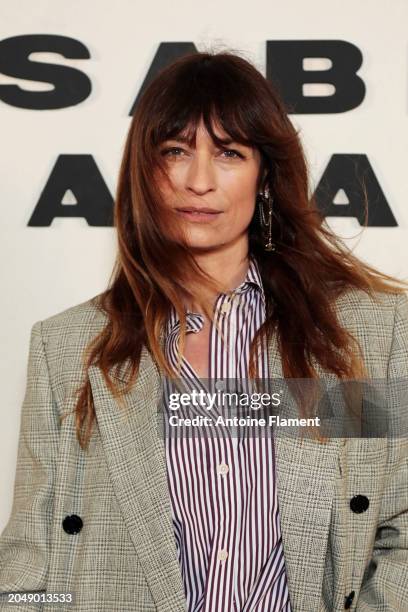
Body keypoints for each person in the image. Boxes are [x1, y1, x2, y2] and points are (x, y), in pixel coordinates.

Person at [0, 50, 407, 612]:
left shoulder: (362, 335)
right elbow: (27, 564)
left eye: (228, 153)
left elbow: (401, 529)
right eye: (175, 151)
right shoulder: (70, 347)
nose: (198, 181)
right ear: (146, 172)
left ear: (265, 174)